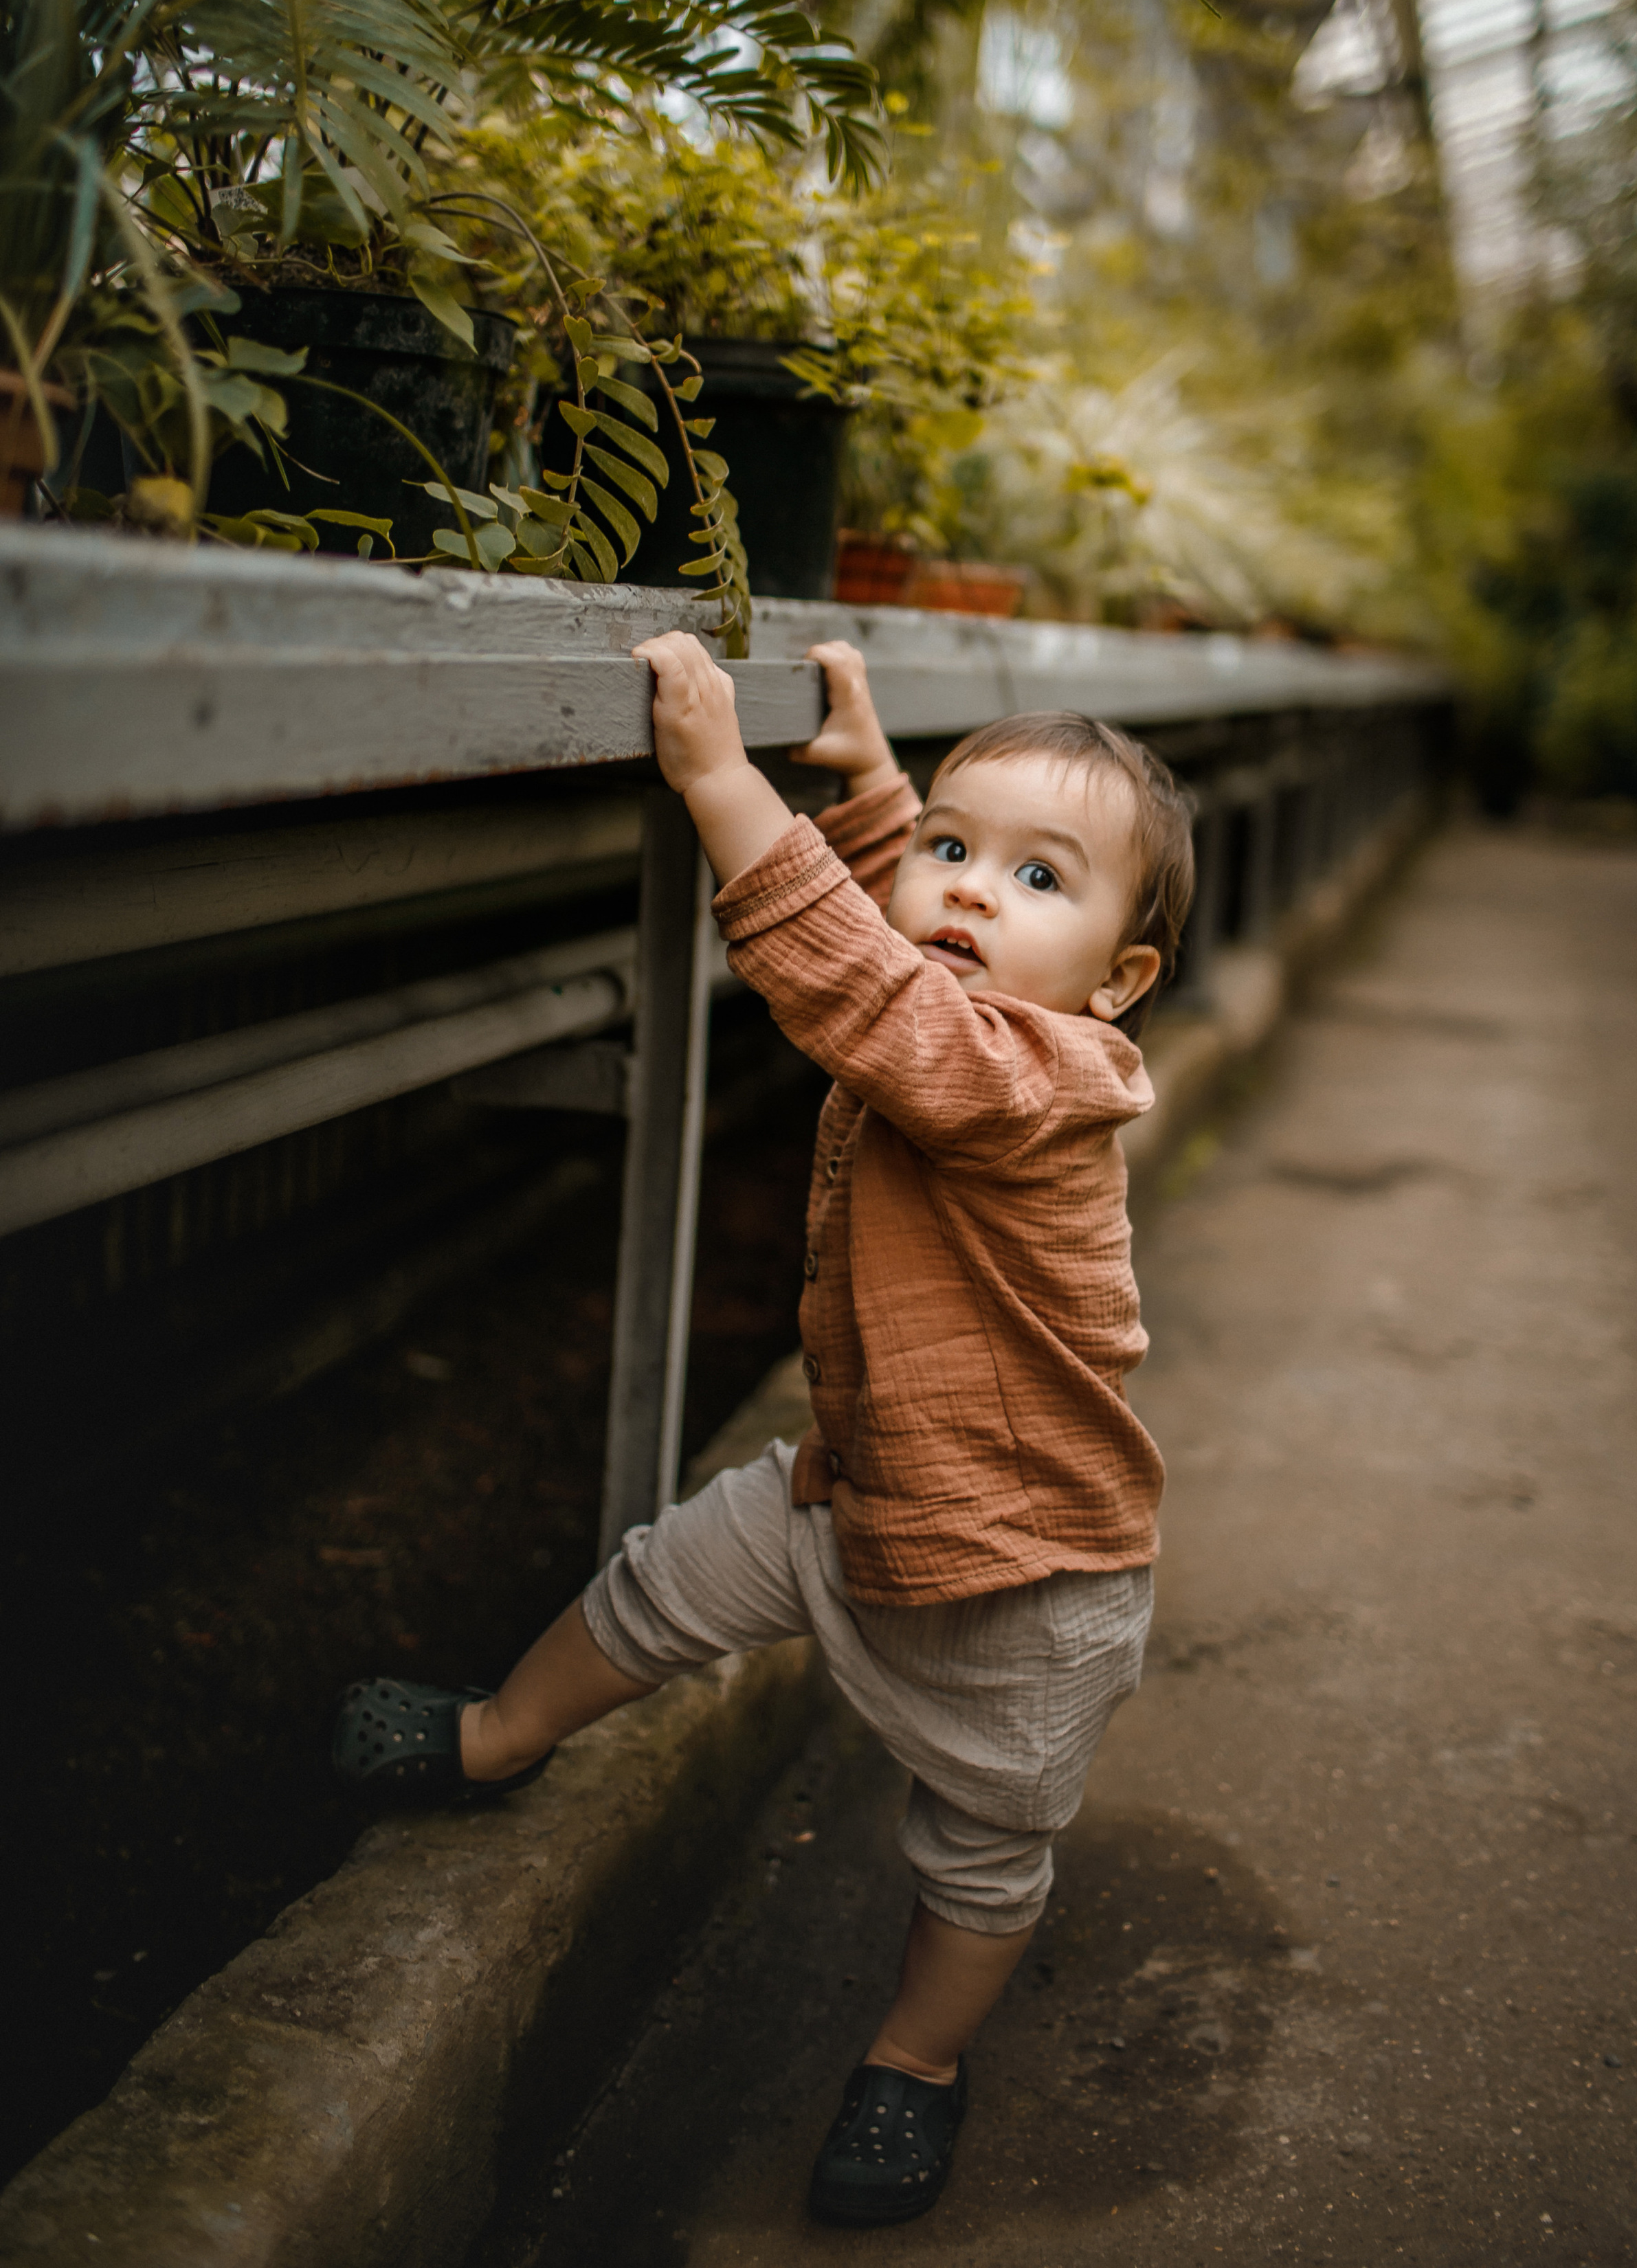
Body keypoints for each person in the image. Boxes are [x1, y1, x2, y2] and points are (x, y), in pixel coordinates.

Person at [333, 634, 1194, 2227]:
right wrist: (870, 778)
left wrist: (724, 783)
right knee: (659, 1583)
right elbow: (901, 931)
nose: (965, 893)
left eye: (1034, 878)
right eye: (953, 847)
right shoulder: (959, 977)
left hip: (1020, 1572)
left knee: (982, 1857)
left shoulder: (1041, 1081)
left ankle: (914, 2064)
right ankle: (499, 1736)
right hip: (846, 1491)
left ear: (1117, 980)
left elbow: (878, 1002)